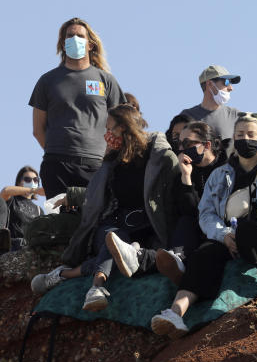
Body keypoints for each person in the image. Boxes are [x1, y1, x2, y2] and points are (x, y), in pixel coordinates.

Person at [150, 114, 257, 337]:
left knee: (249, 229)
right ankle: (175, 313)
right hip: (229, 240)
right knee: (204, 253)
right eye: (240, 134)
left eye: (251, 134)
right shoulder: (220, 174)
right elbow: (206, 214)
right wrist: (224, 235)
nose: (245, 139)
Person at [30, 105, 178, 311]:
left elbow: (172, 194)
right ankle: (97, 288)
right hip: (112, 227)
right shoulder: (111, 162)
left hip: (146, 230)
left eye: (110, 129)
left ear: (125, 128)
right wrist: (72, 195)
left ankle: (63, 274)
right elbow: (95, 196)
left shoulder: (158, 157)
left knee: (120, 253)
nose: (107, 135)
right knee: (114, 242)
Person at [29, 17, 125, 198]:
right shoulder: (47, 81)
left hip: (96, 166)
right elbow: (37, 129)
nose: (75, 39)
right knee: (60, 223)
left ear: (90, 44)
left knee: (95, 222)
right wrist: (57, 151)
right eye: (70, 36)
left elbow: (122, 124)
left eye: (80, 36)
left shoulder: (106, 80)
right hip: (57, 165)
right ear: (63, 44)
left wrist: (108, 157)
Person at [150, 121, 228, 282]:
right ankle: (176, 260)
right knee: (185, 221)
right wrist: (186, 178)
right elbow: (191, 213)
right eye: (179, 143)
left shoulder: (227, 167)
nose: (181, 149)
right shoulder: (183, 173)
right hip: (194, 232)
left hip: (221, 230)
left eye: (187, 143)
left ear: (206, 145)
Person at [179, 65, 242, 142]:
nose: (231, 88)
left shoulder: (235, 115)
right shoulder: (187, 116)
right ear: (210, 84)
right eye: (227, 82)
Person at [1, 166, 44, 251]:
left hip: (29, 248)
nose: (32, 182)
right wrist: (34, 190)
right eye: (28, 179)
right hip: (10, 246)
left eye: (35, 180)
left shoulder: (39, 210)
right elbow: (5, 191)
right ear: (19, 183)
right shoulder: (11, 199)